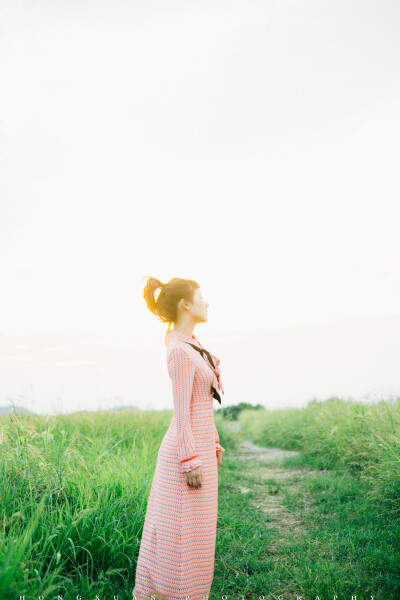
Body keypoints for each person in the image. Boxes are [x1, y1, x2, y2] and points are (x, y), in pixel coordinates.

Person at [132, 276, 225, 600]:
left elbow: (202, 406)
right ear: (186, 304)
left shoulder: (191, 346)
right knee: (179, 534)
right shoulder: (179, 352)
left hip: (199, 448)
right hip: (186, 456)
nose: (207, 303)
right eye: (201, 297)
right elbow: (182, 411)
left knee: (198, 534)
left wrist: (212, 443)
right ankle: (170, 593)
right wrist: (190, 460)